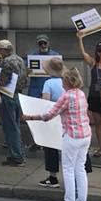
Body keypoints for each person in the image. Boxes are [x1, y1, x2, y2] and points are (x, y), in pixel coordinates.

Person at [23, 67, 93, 201]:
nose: (61, 81)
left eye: (63, 79)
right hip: (85, 135)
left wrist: (30, 117)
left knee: (68, 168)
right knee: (80, 168)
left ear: (67, 81)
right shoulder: (81, 94)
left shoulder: (66, 96)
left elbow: (49, 115)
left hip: (71, 135)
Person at [0, 39, 27, 166]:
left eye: (0, 49)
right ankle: (18, 153)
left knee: (10, 126)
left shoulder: (6, 62)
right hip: (18, 93)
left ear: (5, 50)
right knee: (16, 125)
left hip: (8, 94)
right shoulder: (20, 59)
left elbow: (4, 81)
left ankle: (16, 156)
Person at [38, 57, 66, 188]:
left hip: (53, 119)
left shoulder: (48, 83)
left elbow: (46, 102)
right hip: (66, 118)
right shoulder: (66, 81)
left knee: (51, 147)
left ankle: (53, 177)